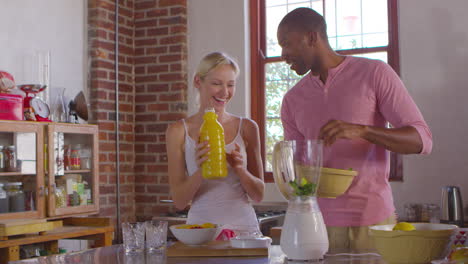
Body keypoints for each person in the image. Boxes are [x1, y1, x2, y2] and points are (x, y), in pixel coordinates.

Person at [277, 8, 432, 250]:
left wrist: (363, 131)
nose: (283, 54)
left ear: (311, 37)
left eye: (286, 44)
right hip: (316, 226)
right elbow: (298, 170)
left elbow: (422, 140)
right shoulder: (292, 100)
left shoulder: (375, 73)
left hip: (374, 223)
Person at [166, 52, 265, 232]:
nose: (225, 92)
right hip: (200, 232)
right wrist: (201, 172)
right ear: (198, 82)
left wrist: (241, 170)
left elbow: (258, 195)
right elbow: (179, 201)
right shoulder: (178, 131)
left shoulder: (247, 127)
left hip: (245, 232)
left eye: (230, 85)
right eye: (216, 83)